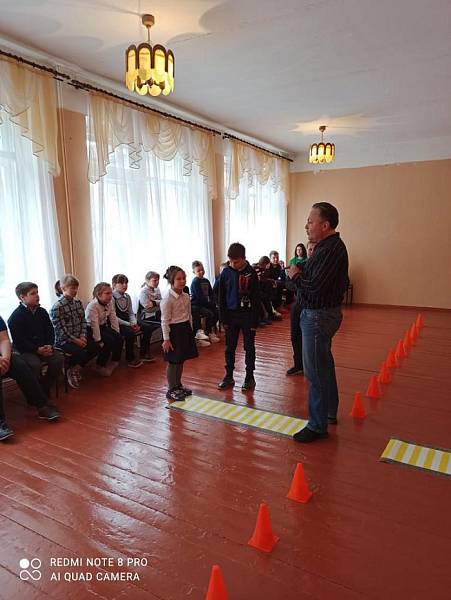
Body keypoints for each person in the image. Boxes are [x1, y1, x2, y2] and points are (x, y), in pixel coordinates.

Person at [288, 202, 349, 443]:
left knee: (315, 372)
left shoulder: (329, 250)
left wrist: (295, 275)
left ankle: (317, 425)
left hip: (318, 316)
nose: (306, 226)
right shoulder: (326, 247)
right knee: (324, 365)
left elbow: (312, 288)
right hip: (321, 315)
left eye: (310, 221)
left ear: (325, 225)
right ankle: (329, 412)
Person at [1, 315, 59, 440]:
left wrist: (5, 359)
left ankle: (42, 405)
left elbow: (4, 340)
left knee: (20, 365)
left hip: (2, 357)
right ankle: (1, 423)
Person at [8, 281, 64, 395]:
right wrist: (37, 350)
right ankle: (34, 391)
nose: (37, 295)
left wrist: (49, 345)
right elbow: (20, 341)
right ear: (22, 297)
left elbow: (50, 331)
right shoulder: (15, 317)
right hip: (26, 350)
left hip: (44, 347)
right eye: (33, 293)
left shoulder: (42, 311)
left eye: (37, 292)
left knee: (58, 359)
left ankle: (44, 385)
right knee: (34, 364)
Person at [217, 243, 260, 391]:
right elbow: (221, 297)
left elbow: (256, 298)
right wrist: (223, 319)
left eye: (236, 262)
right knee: (230, 347)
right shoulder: (226, 273)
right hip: (231, 315)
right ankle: (229, 376)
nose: (233, 264)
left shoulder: (251, 273)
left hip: (247, 315)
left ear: (243, 258)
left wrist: (255, 321)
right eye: (230, 261)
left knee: (249, 347)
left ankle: (249, 377)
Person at [50, 274, 99, 388]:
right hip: (64, 340)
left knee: (95, 348)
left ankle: (74, 369)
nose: (75, 290)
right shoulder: (57, 307)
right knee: (80, 352)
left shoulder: (78, 303)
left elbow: (83, 321)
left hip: (79, 337)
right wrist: (75, 340)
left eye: (76, 288)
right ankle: (69, 370)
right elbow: (60, 330)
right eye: (72, 288)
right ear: (63, 288)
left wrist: (82, 336)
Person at [161, 266, 198, 401]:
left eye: (184, 278)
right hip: (174, 332)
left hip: (184, 329)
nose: (182, 281)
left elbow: (189, 315)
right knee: (173, 361)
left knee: (181, 359)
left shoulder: (186, 296)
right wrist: (166, 339)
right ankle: (171, 389)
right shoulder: (167, 299)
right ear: (171, 281)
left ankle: (178, 385)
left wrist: (191, 331)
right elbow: (164, 321)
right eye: (178, 279)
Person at [285, 241, 315, 376]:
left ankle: (311, 365)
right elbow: (288, 283)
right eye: (309, 249)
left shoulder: (319, 266)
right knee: (295, 335)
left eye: (314, 249)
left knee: (310, 338)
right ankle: (298, 365)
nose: (311, 252)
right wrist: (298, 285)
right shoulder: (298, 265)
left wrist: (299, 282)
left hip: (313, 306)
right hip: (299, 303)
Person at [85, 282, 123, 376]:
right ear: (99, 295)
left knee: (119, 338)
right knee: (108, 341)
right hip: (90, 329)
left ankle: (115, 361)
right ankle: (99, 365)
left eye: (111, 293)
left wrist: (116, 332)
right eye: (107, 293)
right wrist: (98, 340)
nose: (110, 296)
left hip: (102, 326)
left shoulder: (109, 303)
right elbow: (94, 325)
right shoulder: (93, 306)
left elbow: (113, 318)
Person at [112, 274, 143, 368]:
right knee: (129, 333)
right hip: (117, 323)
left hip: (127, 321)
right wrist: (129, 324)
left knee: (146, 327)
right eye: (121, 283)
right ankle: (130, 358)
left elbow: (131, 312)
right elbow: (114, 317)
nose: (125, 285)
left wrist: (134, 323)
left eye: (126, 283)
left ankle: (143, 352)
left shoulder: (127, 296)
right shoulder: (112, 297)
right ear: (114, 285)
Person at [190, 260, 220, 344]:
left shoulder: (206, 281)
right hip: (197, 304)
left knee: (217, 312)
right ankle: (208, 332)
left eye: (202, 269)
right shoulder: (195, 282)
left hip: (205, 304)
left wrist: (214, 303)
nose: (201, 272)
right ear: (194, 272)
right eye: (198, 270)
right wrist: (209, 304)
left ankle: (210, 332)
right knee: (209, 313)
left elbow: (211, 293)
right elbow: (199, 297)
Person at [137, 271, 163, 362]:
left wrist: (154, 302)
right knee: (149, 329)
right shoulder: (143, 291)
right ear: (147, 281)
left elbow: (162, 302)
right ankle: (144, 353)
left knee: (169, 321)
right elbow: (147, 306)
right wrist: (157, 303)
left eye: (158, 280)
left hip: (156, 313)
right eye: (154, 280)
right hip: (145, 317)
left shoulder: (157, 289)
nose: (157, 282)